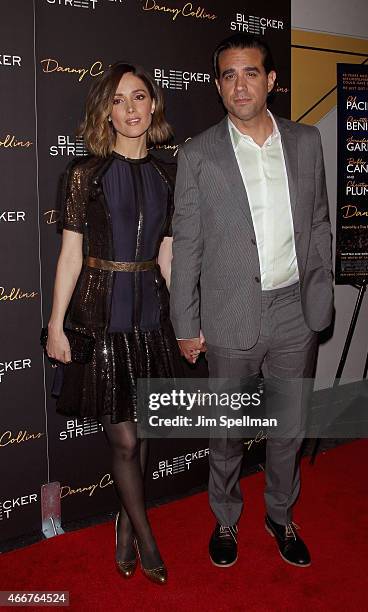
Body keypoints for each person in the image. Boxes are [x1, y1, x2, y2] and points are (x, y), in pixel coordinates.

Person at [170, 34, 334, 568]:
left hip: (294, 311)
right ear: (218, 86)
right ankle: (225, 518)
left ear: (271, 80)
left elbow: (317, 223)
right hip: (228, 313)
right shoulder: (198, 154)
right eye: (228, 76)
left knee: (288, 427)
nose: (239, 85)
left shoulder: (307, 142)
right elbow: (187, 243)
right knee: (227, 432)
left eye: (250, 73)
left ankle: (281, 516)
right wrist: (185, 322)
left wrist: (318, 293)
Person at [46, 62, 181, 585]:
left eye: (140, 97)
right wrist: (56, 325)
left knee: (143, 430)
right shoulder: (85, 175)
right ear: (106, 112)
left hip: (151, 317)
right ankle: (146, 540)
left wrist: (188, 318)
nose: (131, 108)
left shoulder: (170, 174)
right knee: (124, 440)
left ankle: (125, 525)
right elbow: (70, 256)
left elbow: (168, 257)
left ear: (154, 106)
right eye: (120, 100)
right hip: (99, 320)